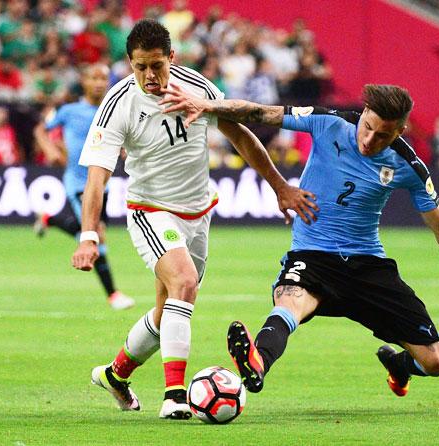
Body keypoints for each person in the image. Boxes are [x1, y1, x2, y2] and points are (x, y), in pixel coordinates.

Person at [160, 83, 439, 397]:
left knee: (436, 362)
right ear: (362, 113)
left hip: (368, 267)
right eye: (368, 127)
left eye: (383, 136)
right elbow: (259, 113)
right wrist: (207, 105)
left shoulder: (409, 166)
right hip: (314, 256)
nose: (369, 140)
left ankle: (398, 367)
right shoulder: (328, 121)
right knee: (289, 302)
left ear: (401, 131)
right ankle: (257, 363)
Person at [71, 20, 316, 419]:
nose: (149, 76)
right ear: (129, 63)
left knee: (167, 309)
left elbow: (239, 135)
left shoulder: (197, 88)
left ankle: (116, 376)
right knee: (184, 282)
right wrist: (88, 237)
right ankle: (175, 395)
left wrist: (279, 186)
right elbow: (97, 178)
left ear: (172, 57)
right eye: (139, 67)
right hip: (150, 210)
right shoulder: (118, 104)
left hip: (198, 213)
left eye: (156, 65)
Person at [33, 63, 134, 311]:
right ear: (84, 81)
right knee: (95, 236)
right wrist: (49, 148)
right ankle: (113, 294)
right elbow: (41, 130)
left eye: (103, 78)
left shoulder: (115, 109)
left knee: (89, 231)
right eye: (93, 77)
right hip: (79, 182)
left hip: (105, 183)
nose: (99, 82)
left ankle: (50, 219)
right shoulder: (68, 110)